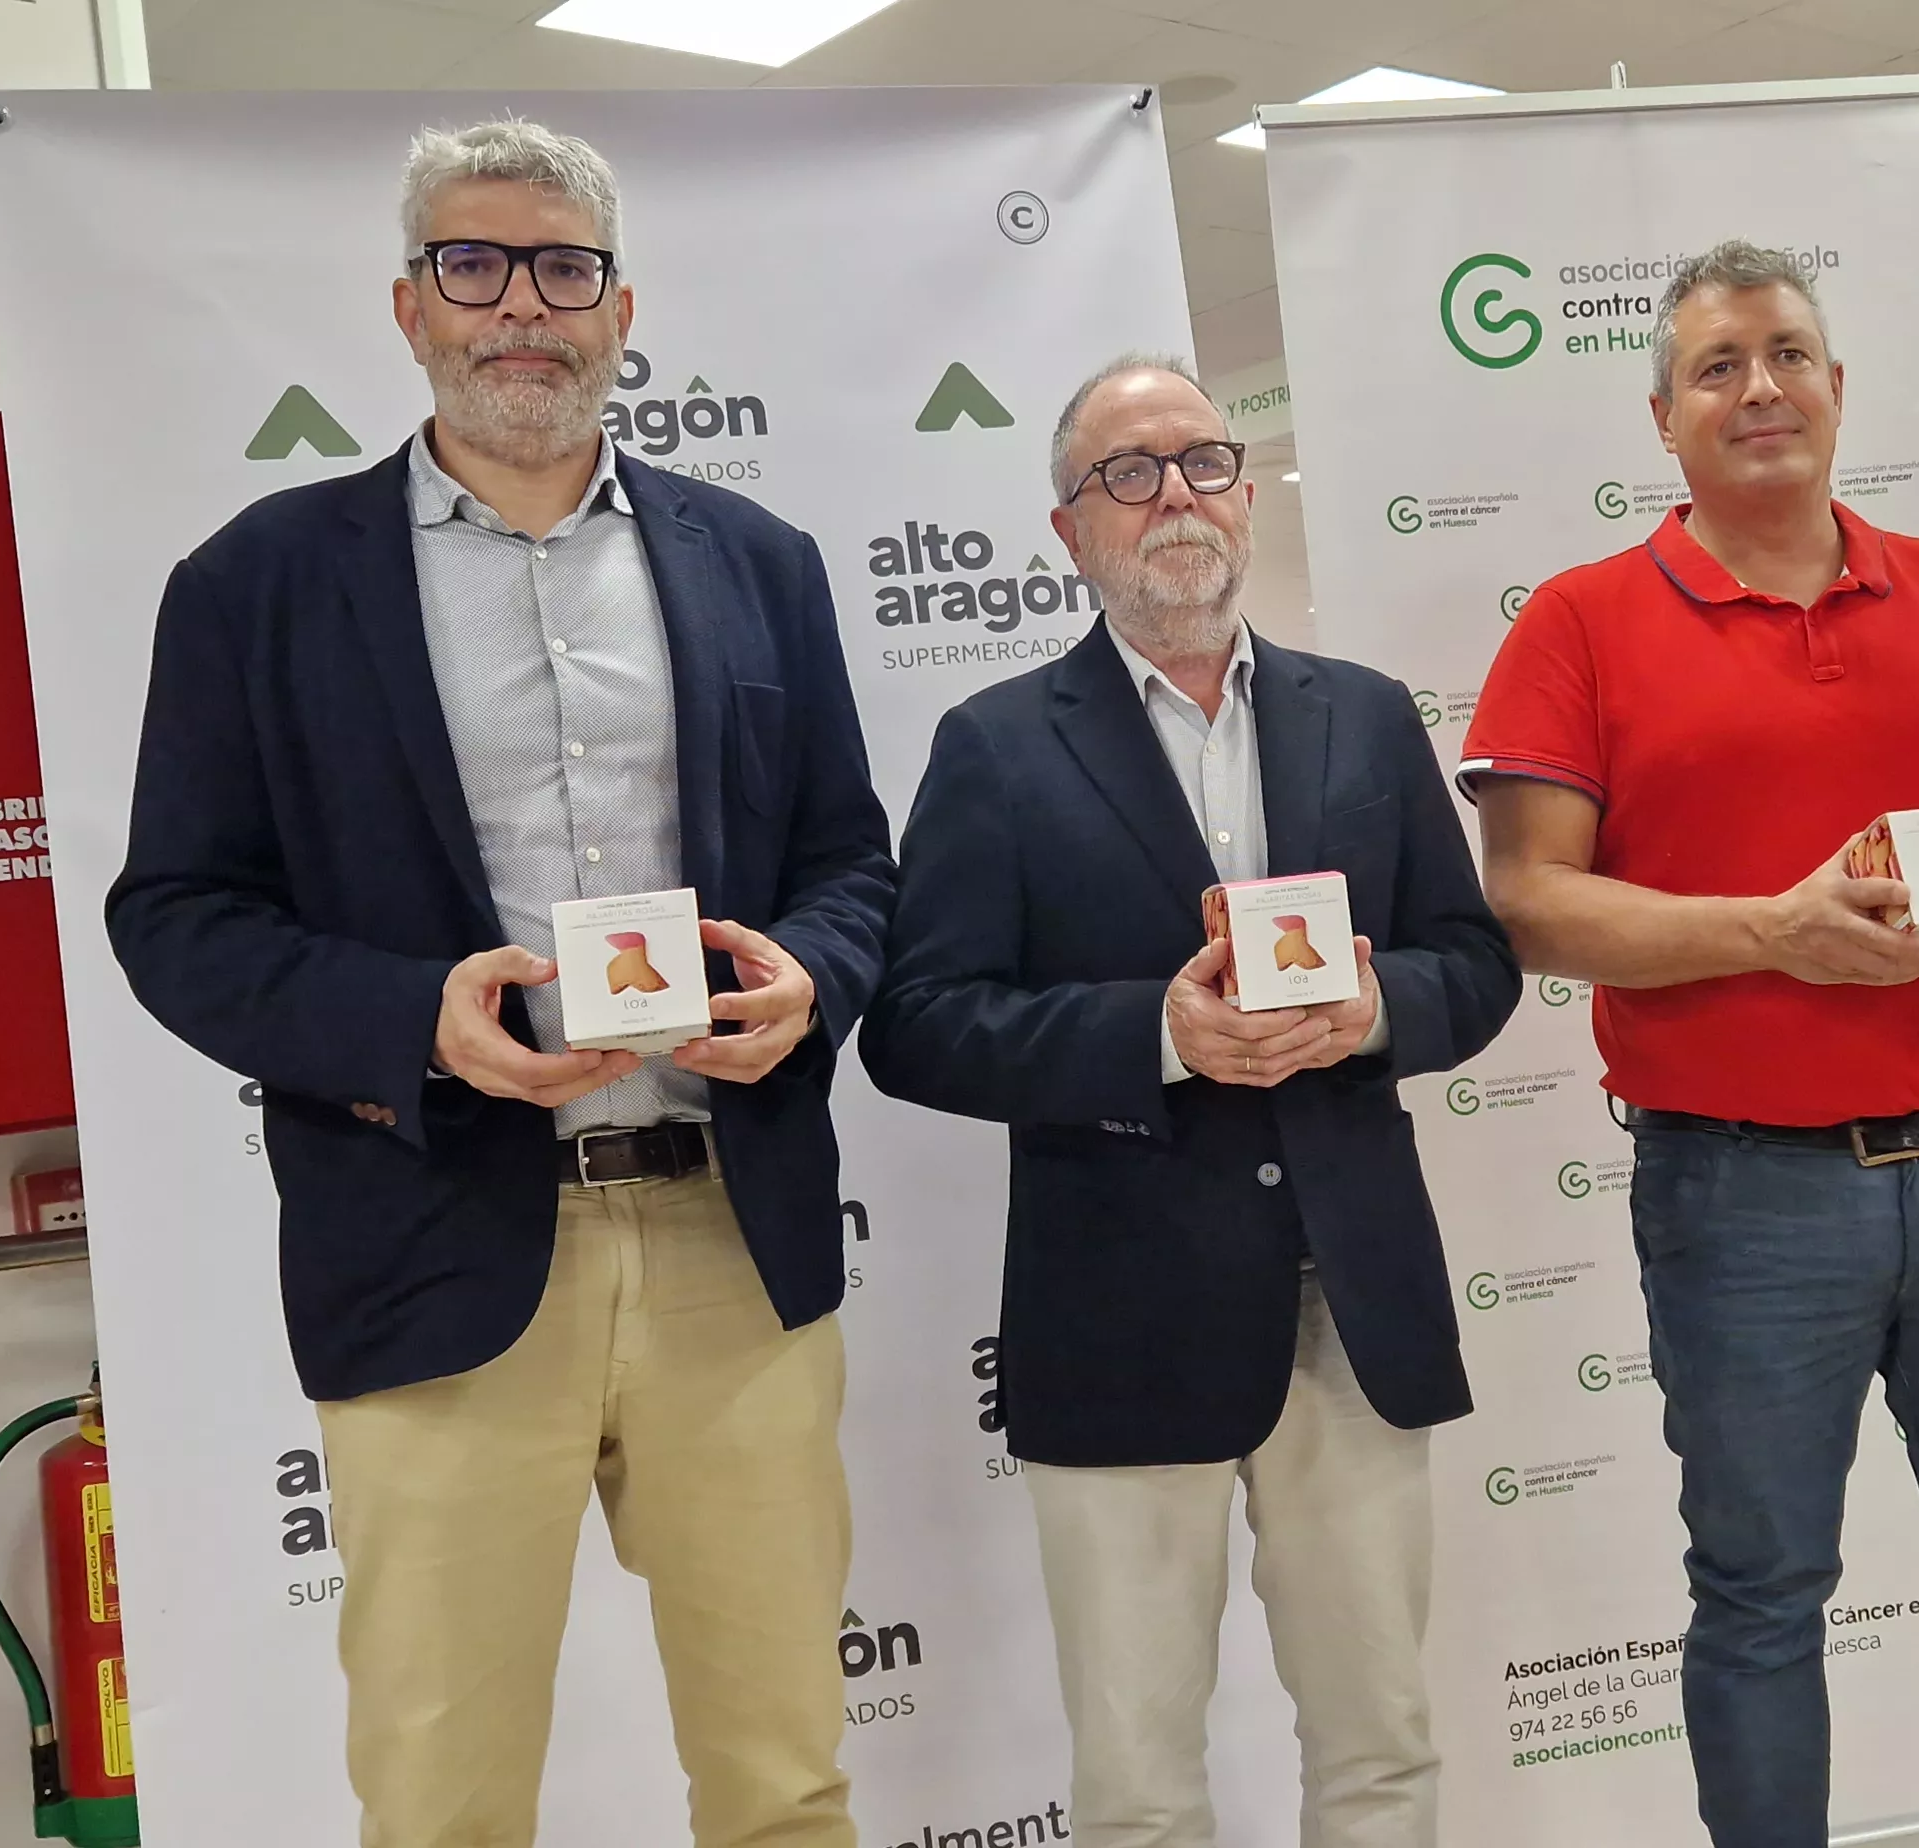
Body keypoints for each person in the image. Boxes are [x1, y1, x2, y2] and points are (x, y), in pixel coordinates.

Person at [104, 118, 890, 1848]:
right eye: (474, 266)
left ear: (622, 308)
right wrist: (414, 1025)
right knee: (445, 1797)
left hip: (728, 1242)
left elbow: (851, 864)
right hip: (435, 1238)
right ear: (409, 307)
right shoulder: (258, 585)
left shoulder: (759, 565)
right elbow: (174, 914)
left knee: (787, 1784)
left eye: (562, 270)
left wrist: (805, 982)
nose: (518, 308)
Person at [1458, 240, 1919, 1848]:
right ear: (1664, 416)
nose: (1758, 387)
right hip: (1744, 1200)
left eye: (1786, 354)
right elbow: (1532, 902)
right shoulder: (1582, 622)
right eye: (1718, 366)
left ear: (1838, 388)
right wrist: (1772, 927)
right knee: (1762, 1594)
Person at [863, 354, 1518, 1848]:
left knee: (1382, 1750)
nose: (1177, 496)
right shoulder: (997, 748)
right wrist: (1158, 1032)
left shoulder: (1362, 717)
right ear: (1068, 530)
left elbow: (1472, 966)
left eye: (1204, 462)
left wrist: (1374, 1012)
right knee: (1143, 1787)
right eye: (1128, 473)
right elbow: (917, 1026)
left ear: (1245, 490)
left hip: (1352, 1310)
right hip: (1121, 1315)